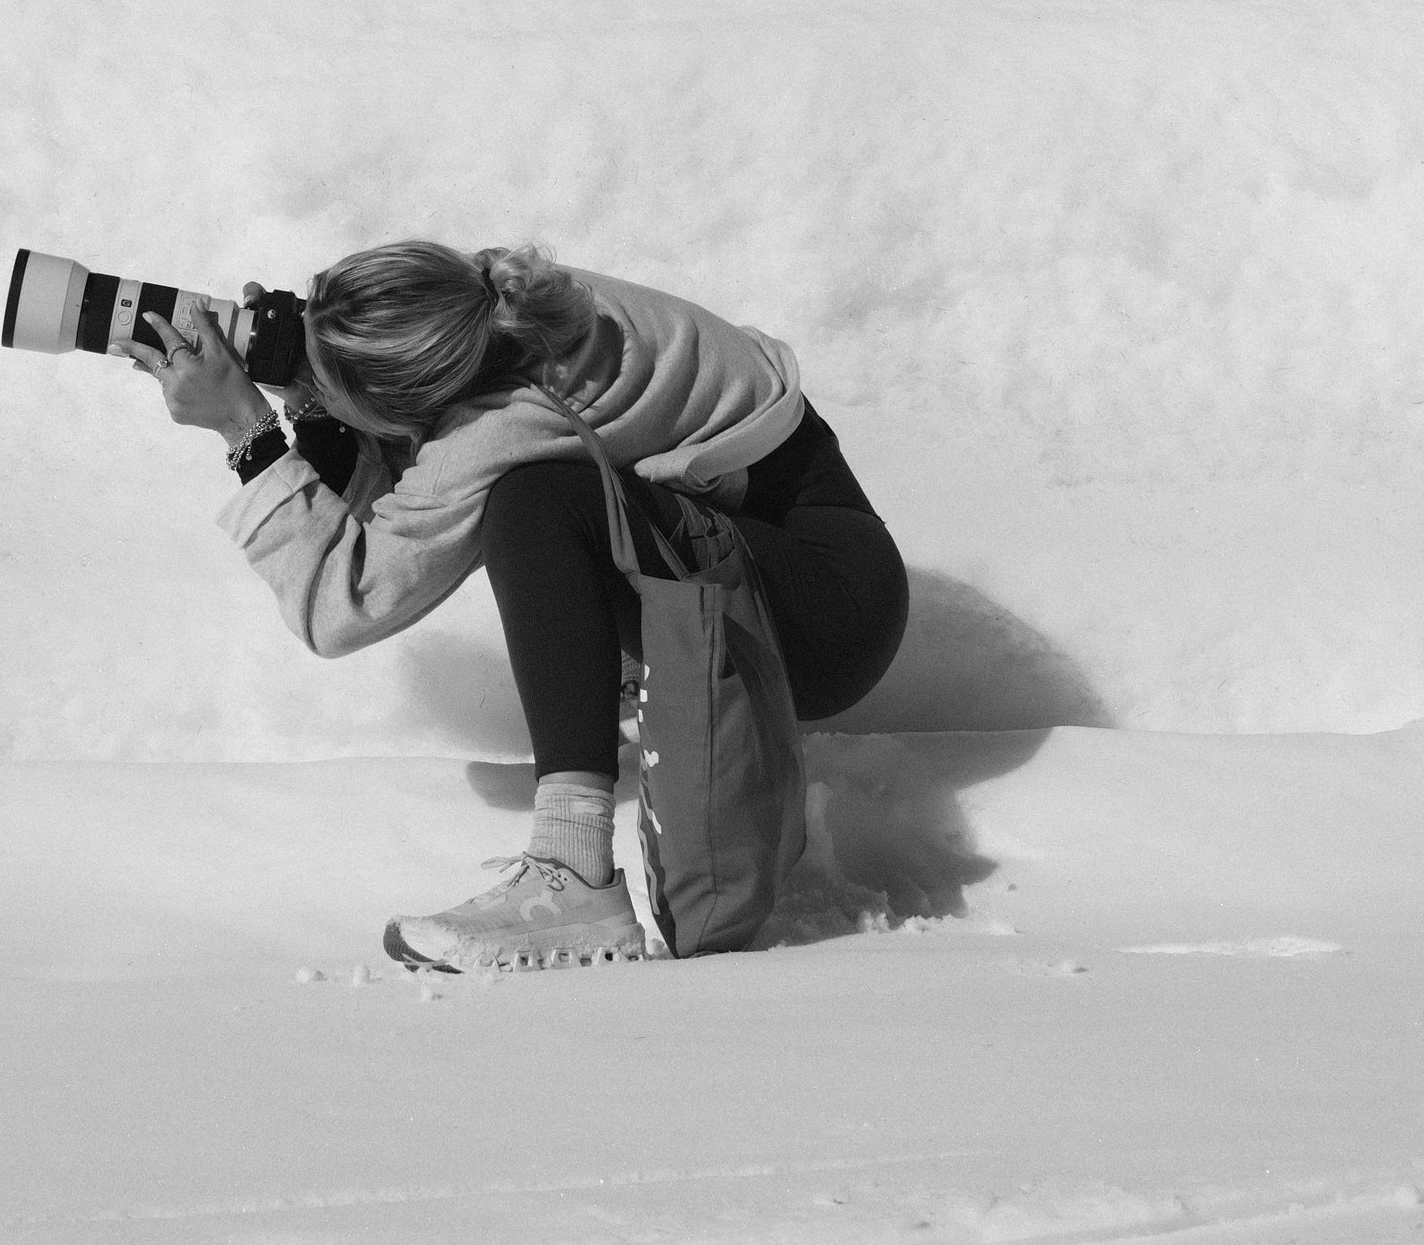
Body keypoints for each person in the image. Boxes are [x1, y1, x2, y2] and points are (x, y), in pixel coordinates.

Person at [119, 242, 908, 969]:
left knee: (536, 504)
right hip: (797, 554)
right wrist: (321, 381)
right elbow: (406, 474)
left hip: (826, 617)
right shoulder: (484, 304)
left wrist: (248, 428)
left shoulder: (503, 425)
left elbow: (342, 604)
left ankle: (574, 877)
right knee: (541, 494)